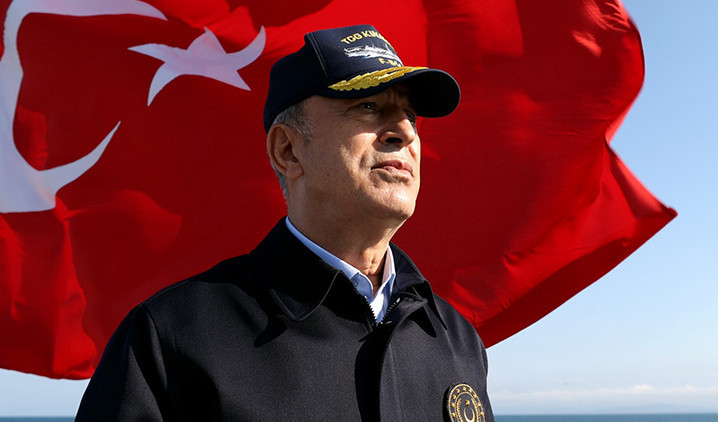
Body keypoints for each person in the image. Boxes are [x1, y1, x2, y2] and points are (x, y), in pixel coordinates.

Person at [76, 24, 494, 422]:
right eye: (368, 106)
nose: (404, 131)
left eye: (411, 116)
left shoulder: (456, 340)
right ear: (288, 151)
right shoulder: (172, 335)